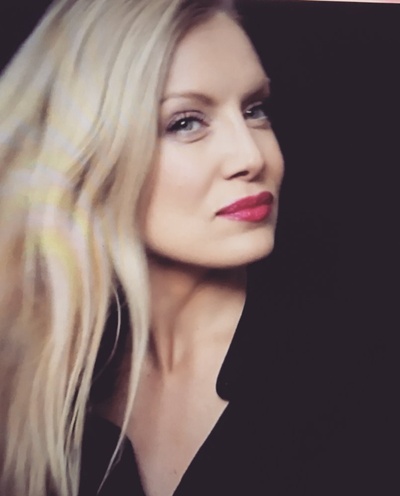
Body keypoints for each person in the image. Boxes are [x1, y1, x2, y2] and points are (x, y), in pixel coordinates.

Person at [0, 1, 357, 495]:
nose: (251, 156)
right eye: (186, 122)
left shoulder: (354, 367)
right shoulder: (40, 387)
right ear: (89, 157)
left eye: (254, 110)